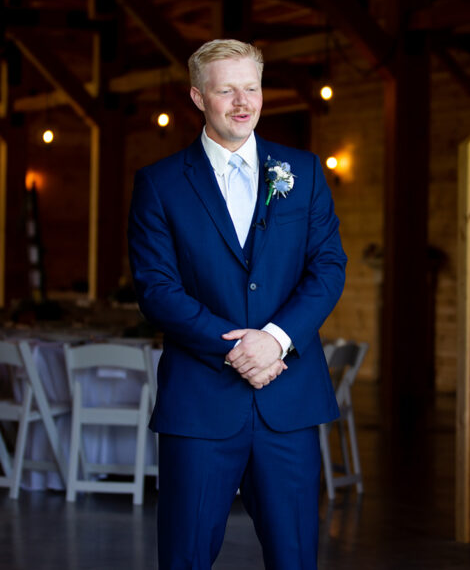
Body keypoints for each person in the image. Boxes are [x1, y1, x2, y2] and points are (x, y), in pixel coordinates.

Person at [127, 38, 347, 569]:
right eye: (227, 90)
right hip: (200, 403)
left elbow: (328, 268)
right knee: (185, 558)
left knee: (295, 558)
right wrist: (236, 350)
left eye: (252, 88)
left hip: (288, 400)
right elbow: (157, 289)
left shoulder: (305, 171)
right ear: (199, 97)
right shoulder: (159, 185)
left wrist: (274, 340)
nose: (243, 102)